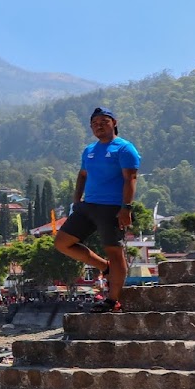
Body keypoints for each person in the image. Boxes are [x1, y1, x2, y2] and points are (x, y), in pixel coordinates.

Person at [55, 107, 141, 313]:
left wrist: (126, 208)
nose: (99, 126)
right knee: (62, 243)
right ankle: (105, 267)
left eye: (104, 121)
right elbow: (82, 175)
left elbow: (130, 179)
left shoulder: (124, 148)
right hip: (88, 206)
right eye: (94, 123)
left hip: (111, 207)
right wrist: (76, 200)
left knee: (115, 251)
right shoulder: (89, 150)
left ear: (114, 122)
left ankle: (113, 300)